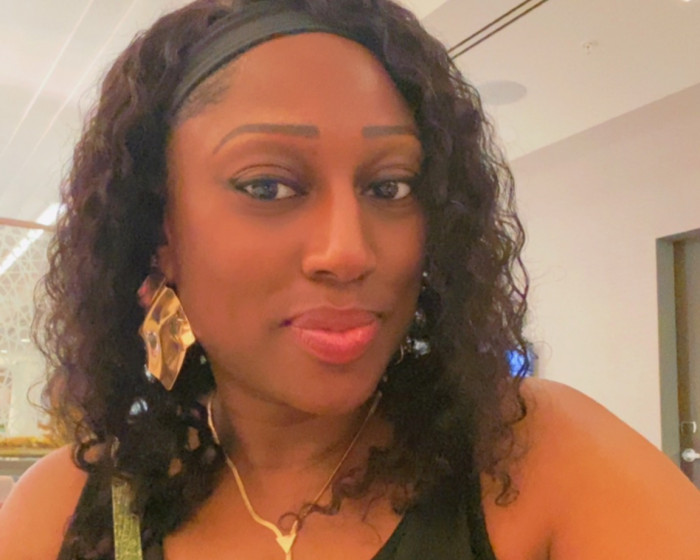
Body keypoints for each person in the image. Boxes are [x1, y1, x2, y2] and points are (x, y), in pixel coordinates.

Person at [0, 0, 698, 558]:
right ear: (160, 235)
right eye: (269, 186)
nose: (348, 251)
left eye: (390, 187)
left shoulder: (535, 460)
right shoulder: (64, 513)